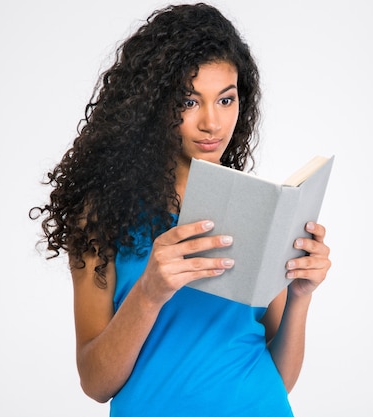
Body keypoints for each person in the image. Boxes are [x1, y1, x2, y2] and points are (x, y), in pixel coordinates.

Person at [31, 3, 332, 416]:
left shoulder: (257, 209)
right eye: (190, 102)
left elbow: (279, 376)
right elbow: (96, 383)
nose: (212, 122)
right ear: (153, 104)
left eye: (226, 100)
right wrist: (149, 293)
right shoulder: (102, 216)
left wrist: (300, 297)